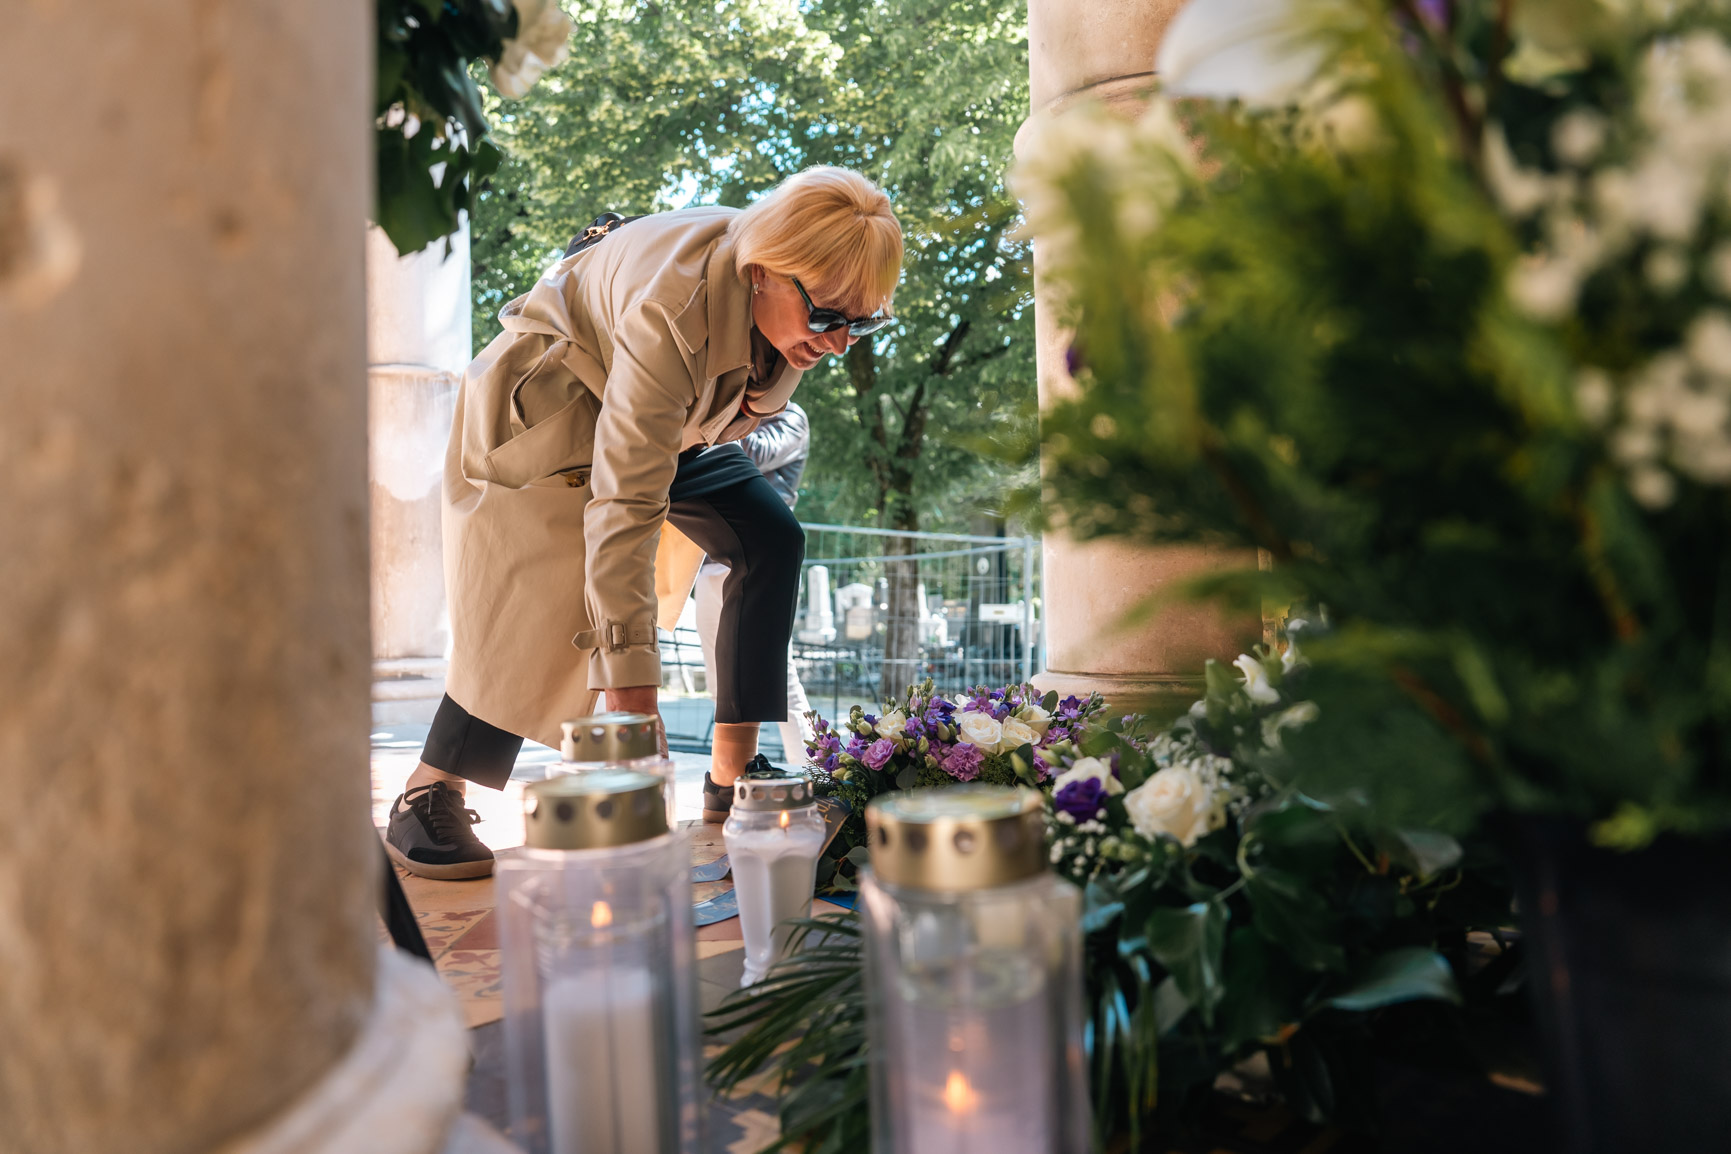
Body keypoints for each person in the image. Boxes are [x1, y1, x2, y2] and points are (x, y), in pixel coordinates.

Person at [384, 167, 902, 880]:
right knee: (543, 599)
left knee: (767, 538)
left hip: (670, 417)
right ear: (764, 273)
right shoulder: (675, 307)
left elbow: (724, 405)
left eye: (863, 321)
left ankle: (731, 774)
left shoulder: (790, 292)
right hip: (554, 400)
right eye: (827, 318)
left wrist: (806, 332)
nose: (841, 342)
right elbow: (625, 506)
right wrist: (632, 702)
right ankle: (426, 791)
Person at [693, 401, 813, 764]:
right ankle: (734, 772)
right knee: (722, 684)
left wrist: (715, 421)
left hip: (761, 565)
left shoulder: (793, 418)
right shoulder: (739, 410)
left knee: (779, 680)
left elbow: (753, 454)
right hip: (712, 565)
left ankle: (815, 771)